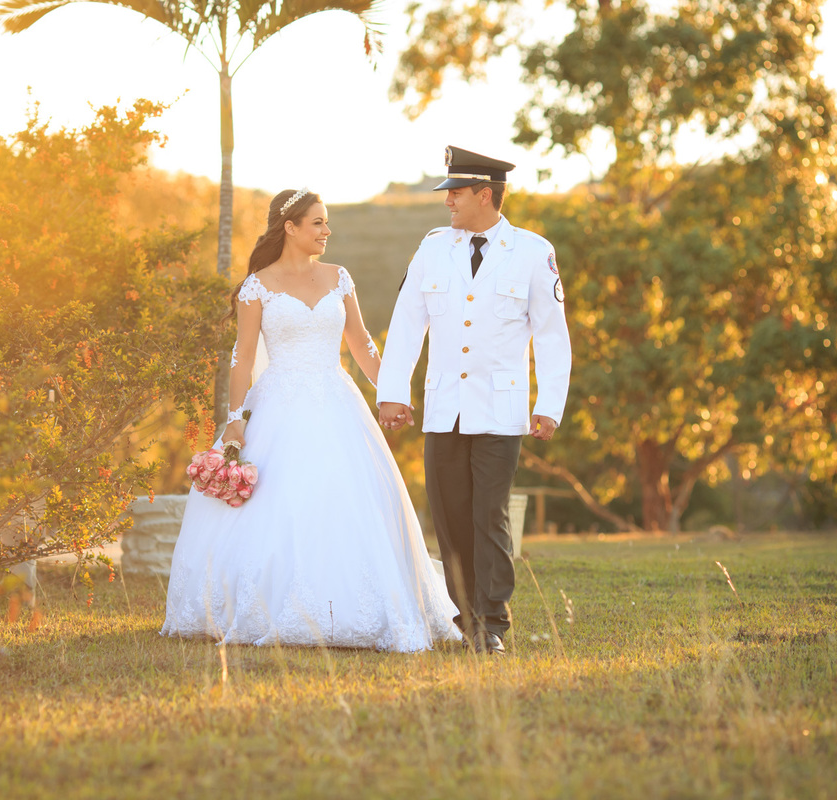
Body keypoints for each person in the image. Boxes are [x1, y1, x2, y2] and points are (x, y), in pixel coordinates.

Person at [161, 188, 460, 651]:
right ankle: (271, 605)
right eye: (318, 223)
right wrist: (235, 419)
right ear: (291, 227)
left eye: (326, 222)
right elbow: (242, 359)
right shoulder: (257, 286)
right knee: (279, 504)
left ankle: (356, 606)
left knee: (349, 500)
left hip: (336, 400)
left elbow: (361, 343)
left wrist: (393, 391)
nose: (327, 231)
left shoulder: (340, 278)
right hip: (278, 404)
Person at [376, 146, 572, 655]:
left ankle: (492, 624)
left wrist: (549, 403)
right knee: (450, 517)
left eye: (456, 194)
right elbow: (406, 325)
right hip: (444, 408)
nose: (448, 203)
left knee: (489, 515)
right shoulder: (433, 249)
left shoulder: (532, 252)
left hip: (500, 412)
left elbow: (551, 334)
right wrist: (393, 393)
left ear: (485, 195)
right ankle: (464, 618)